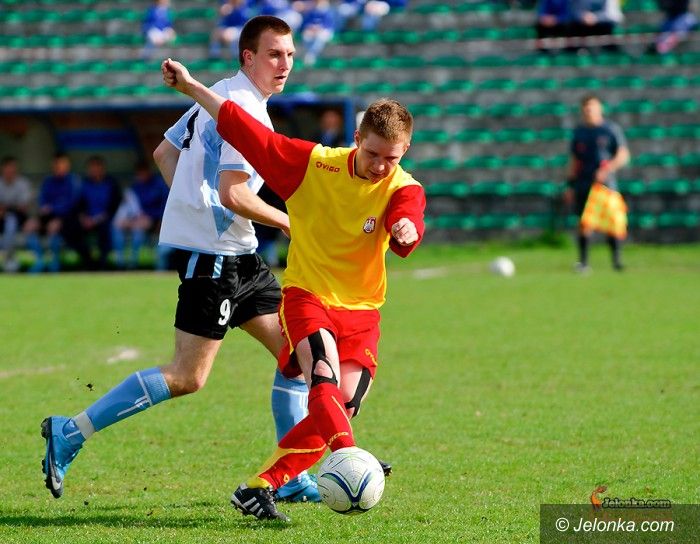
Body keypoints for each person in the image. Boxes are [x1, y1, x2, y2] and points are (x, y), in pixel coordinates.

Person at [41, 16, 319, 504]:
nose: (285, 64)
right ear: (248, 57)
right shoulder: (245, 110)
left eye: (290, 55)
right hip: (214, 261)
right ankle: (71, 431)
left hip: (239, 254)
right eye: (274, 54)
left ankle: (290, 474)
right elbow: (234, 195)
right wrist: (291, 222)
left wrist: (194, 208)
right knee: (188, 376)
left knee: (296, 353)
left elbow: (163, 153)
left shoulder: (219, 94)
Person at [161, 57, 425, 522]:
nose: (382, 166)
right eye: (374, 154)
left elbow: (409, 219)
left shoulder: (404, 187)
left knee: (342, 406)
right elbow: (247, 131)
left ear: (405, 152)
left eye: (393, 158)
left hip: (363, 311)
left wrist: (406, 230)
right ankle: (349, 458)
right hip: (308, 297)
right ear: (357, 138)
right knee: (321, 378)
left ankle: (259, 487)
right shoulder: (315, 165)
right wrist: (192, 87)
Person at [565, 94, 630, 272]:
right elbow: (574, 160)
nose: (589, 111)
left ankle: (616, 262)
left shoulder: (610, 130)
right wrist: (570, 185)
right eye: (586, 108)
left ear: (599, 108)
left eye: (592, 107)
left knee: (612, 223)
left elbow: (623, 155)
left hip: (606, 186)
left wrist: (607, 168)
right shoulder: (579, 132)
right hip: (584, 183)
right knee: (585, 223)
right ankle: (583, 263)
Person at [24, 152, 81, 273]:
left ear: (67, 165)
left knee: (53, 226)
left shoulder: (73, 181)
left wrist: (54, 208)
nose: (58, 167)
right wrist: (45, 208)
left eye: (61, 164)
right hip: (48, 215)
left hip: (67, 218)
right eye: (56, 164)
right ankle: (39, 260)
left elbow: (71, 203)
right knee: (29, 225)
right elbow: (42, 200)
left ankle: (54, 262)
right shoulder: (48, 181)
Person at [112, 160, 170, 270]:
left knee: (138, 230)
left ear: (148, 171)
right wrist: (129, 220)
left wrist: (159, 220)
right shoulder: (135, 187)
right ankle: (120, 263)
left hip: (156, 220)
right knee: (117, 226)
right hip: (137, 219)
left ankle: (134, 263)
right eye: (139, 173)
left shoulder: (159, 184)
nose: (141, 175)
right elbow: (131, 208)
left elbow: (165, 206)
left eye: (143, 172)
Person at [76, 155, 123, 270]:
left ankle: (103, 263)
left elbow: (114, 206)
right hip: (88, 220)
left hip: (105, 219)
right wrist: (83, 218)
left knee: (105, 230)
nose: (94, 170)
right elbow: (79, 204)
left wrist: (97, 219)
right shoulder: (84, 184)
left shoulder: (111, 184)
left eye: (96, 167)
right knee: (73, 229)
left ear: (102, 168)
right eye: (91, 168)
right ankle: (87, 261)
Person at [0, 156, 32, 272]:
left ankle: (9, 259)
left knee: (11, 221)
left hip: (19, 219)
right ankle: (9, 259)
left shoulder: (23, 183)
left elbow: (23, 207)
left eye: (12, 168)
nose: (10, 171)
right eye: (8, 168)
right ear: (2, 169)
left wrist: (6, 208)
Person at [300, 0, 337, 65]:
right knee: (306, 36)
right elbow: (306, 23)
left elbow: (329, 25)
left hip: (326, 31)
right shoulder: (312, 12)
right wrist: (311, 27)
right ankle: (309, 54)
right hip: (313, 31)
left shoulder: (329, 12)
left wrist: (319, 28)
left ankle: (311, 55)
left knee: (319, 37)